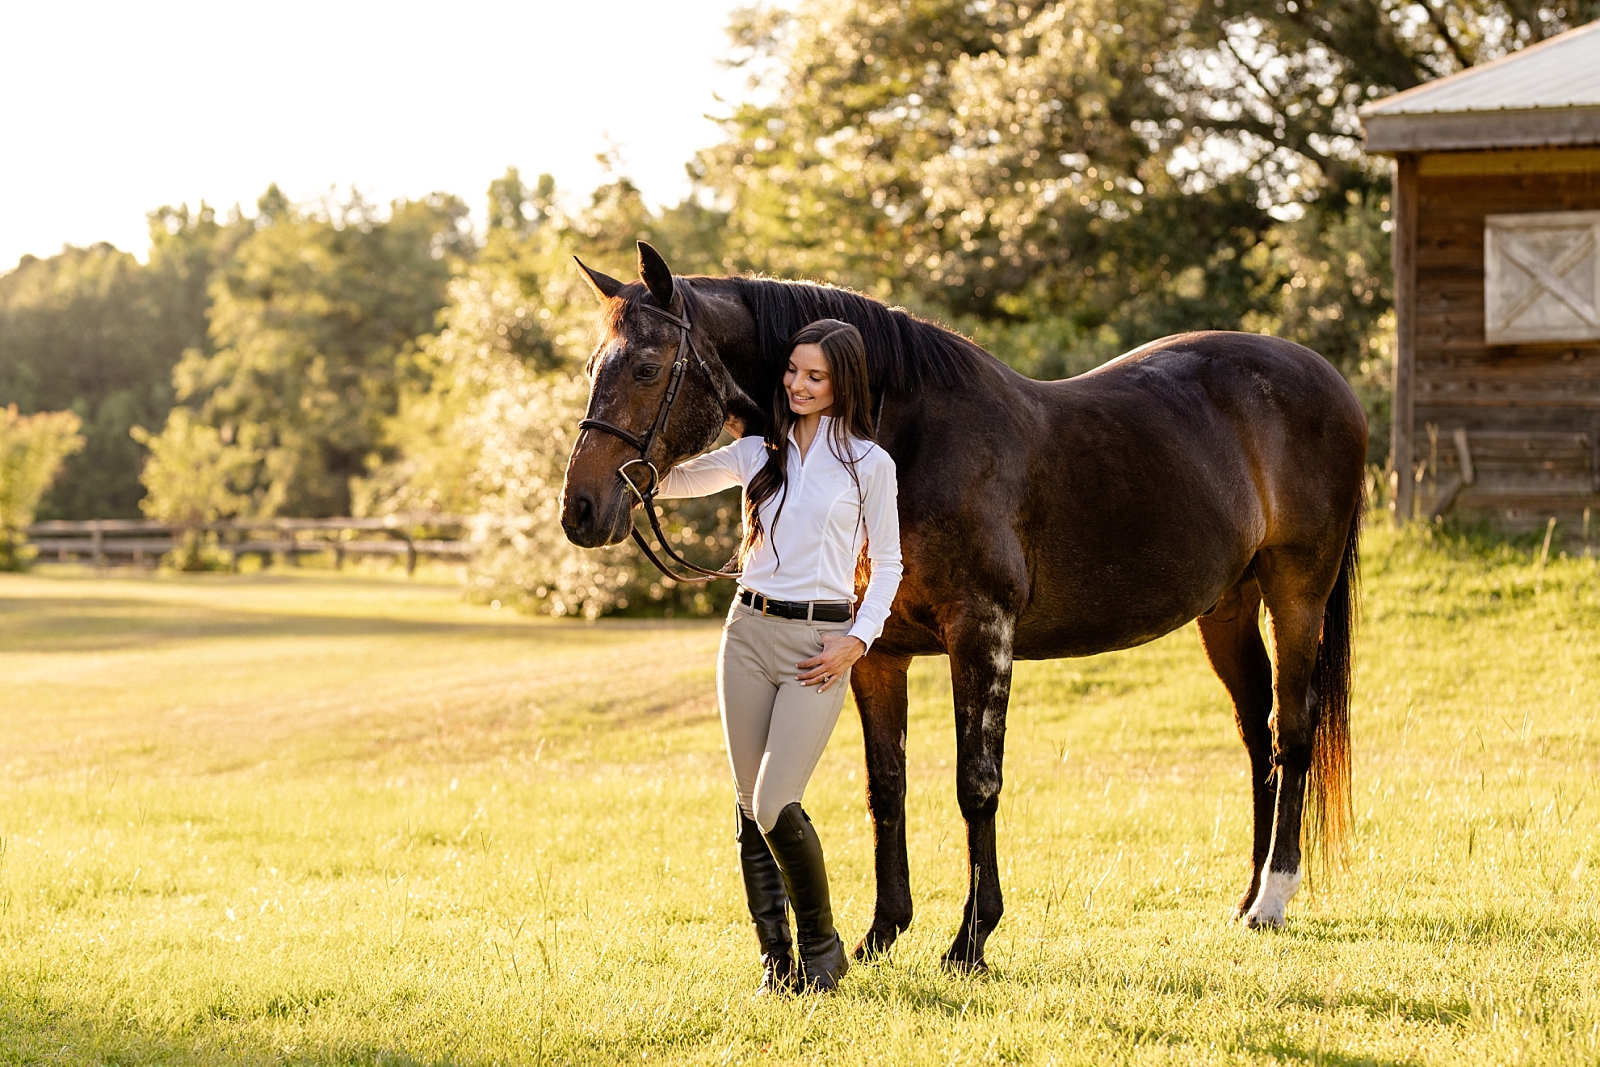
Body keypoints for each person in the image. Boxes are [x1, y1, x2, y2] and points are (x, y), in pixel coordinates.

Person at [656, 318, 902, 994]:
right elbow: (667, 481)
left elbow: (887, 563)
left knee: (773, 802)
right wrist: (625, 433)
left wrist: (859, 639)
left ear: (841, 383)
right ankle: (777, 962)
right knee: (747, 804)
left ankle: (823, 951)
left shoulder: (869, 465)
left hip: (817, 647)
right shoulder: (757, 452)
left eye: (815, 375)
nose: (798, 383)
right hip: (747, 636)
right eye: (793, 370)